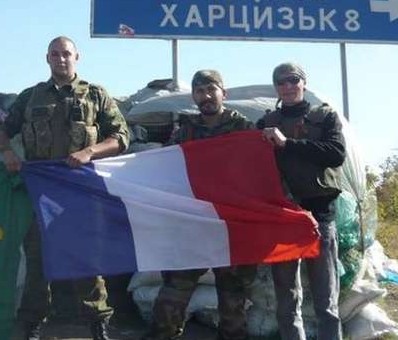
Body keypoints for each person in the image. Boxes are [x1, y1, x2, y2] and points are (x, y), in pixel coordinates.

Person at [0, 36, 129, 340]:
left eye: (66, 53)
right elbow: (0, 133)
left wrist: (89, 152)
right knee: (39, 257)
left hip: (81, 189)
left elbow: (120, 137)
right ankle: (32, 321)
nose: (61, 59)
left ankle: (97, 322)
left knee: (86, 255)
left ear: (77, 57)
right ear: (47, 59)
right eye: (55, 54)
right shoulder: (31, 97)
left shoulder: (96, 95)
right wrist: (7, 152)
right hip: (42, 191)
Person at [141, 70, 257, 340]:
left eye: (210, 90)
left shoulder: (245, 129)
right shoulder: (186, 132)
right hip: (192, 226)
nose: (205, 96)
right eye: (199, 91)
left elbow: (259, 171)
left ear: (223, 93)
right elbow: (167, 168)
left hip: (231, 226)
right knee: (172, 295)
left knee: (232, 300)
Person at [257, 62, 346, 340]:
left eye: (293, 80)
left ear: (303, 83)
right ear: (276, 87)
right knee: (287, 297)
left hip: (320, 215)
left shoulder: (325, 116)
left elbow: (336, 153)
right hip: (283, 218)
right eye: (281, 82)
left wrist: (288, 144)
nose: (287, 86)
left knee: (326, 298)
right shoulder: (266, 123)